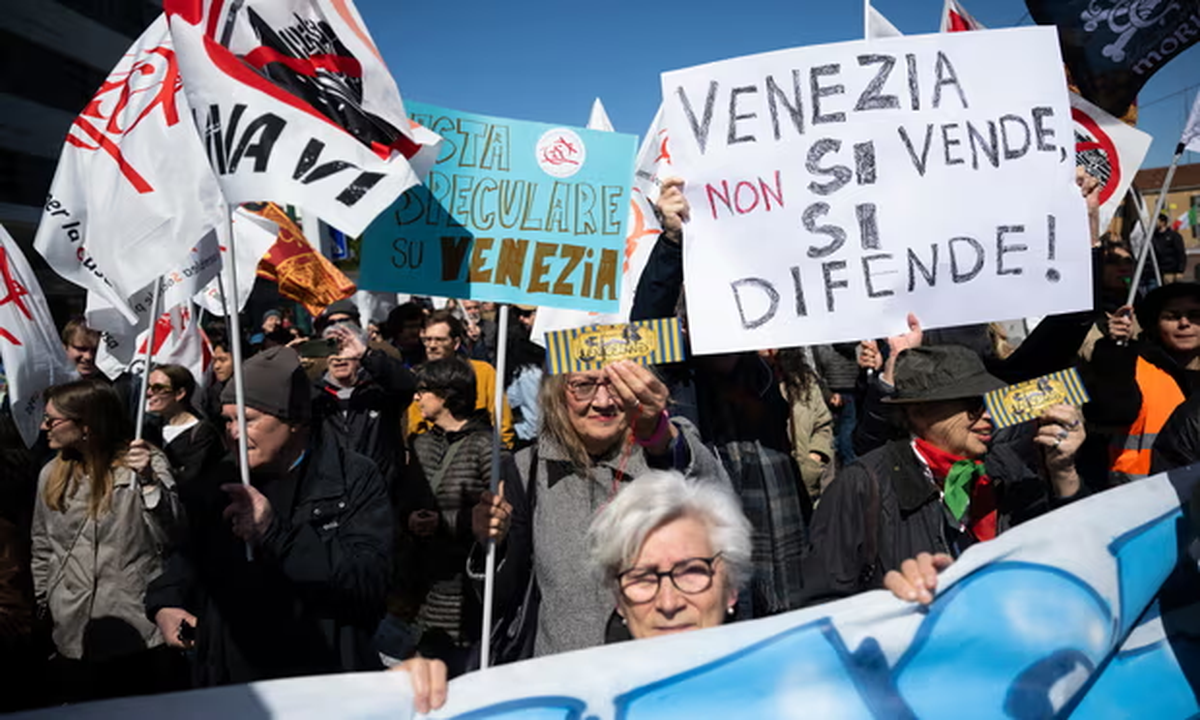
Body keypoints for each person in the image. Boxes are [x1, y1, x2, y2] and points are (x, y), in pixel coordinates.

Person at [144, 346, 393, 686]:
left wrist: (275, 532)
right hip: (230, 680)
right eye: (228, 419)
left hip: (320, 677)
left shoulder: (351, 477)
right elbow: (185, 559)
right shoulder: (219, 478)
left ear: (294, 421)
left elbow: (367, 581)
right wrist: (165, 603)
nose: (233, 432)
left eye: (248, 419)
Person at [631, 177, 811, 618]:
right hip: (708, 535)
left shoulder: (765, 373)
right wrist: (672, 242)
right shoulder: (678, 373)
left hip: (781, 542)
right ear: (690, 326)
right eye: (713, 315)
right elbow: (645, 324)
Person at [482, 361, 727, 658]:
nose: (603, 402)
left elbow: (718, 503)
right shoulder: (526, 469)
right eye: (583, 385)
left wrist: (662, 437)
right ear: (557, 393)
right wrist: (493, 541)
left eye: (616, 384)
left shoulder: (664, 451)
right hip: (565, 675)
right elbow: (499, 597)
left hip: (661, 671)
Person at [808, 345, 1086, 599]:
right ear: (918, 413)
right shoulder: (862, 484)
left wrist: (1064, 473)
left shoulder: (1006, 467)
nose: (989, 415)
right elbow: (823, 602)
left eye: (988, 402)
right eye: (972, 405)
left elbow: (1069, 552)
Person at [32, 379, 183, 702]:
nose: (44, 427)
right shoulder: (51, 474)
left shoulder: (143, 463)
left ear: (86, 424)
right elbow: (42, 546)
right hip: (73, 632)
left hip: (136, 631)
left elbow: (174, 533)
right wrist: (47, 600)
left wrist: (148, 482)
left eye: (53, 420)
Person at [395, 357, 494, 673]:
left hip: (463, 592)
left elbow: (498, 515)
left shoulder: (486, 447)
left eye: (422, 390)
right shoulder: (420, 443)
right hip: (421, 588)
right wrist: (409, 519)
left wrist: (445, 523)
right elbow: (403, 501)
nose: (416, 397)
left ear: (447, 395)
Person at [1087, 283, 1200, 484]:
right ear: (1155, 323)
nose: (1184, 323)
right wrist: (1114, 349)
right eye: (1172, 316)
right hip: (1145, 495)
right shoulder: (1133, 364)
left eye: (1194, 315)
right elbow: (1112, 411)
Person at [312, 321, 415, 491]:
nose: (339, 356)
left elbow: (408, 384)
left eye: (345, 347)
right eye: (331, 348)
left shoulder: (380, 391)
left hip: (381, 492)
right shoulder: (314, 395)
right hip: (332, 493)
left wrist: (365, 354)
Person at [407, 310, 514, 447]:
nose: (432, 346)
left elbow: (502, 423)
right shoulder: (417, 377)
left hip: (479, 454)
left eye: (440, 339)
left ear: (456, 343)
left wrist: (499, 457)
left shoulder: (483, 372)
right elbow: (415, 427)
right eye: (427, 339)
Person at [145, 364, 224, 491]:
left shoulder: (203, 433)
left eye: (157, 388)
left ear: (180, 393)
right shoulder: (149, 428)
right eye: (148, 387)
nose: (149, 393)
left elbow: (192, 478)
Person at [776, 348, 833, 503]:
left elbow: (822, 424)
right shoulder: (747, 382)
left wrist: (814, 458)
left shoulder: (803, 380)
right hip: (771, 489)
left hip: (807, 488)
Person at [503, 305, 546, 452]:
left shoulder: (531, 374)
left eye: (527, 314)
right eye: (518, 313)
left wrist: (511, 432)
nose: (522, 318)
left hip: (529, 443)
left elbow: (534, 424)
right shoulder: (517, 346)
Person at [386, 302, 428, 367]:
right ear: (397, 328)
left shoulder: (426, 352)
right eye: (410, 327)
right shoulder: (385, 352)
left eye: (418, 326)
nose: (415, 331)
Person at [1153, 213, 1188, 284]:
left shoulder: (1174, 236)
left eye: (1155, 220)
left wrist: (1180, 270)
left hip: (1170, 271)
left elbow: (1180, 253)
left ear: (1162, 222)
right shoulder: (1154, 237)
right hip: (1157, 271)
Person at [460, 299, 497, 364]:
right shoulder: (458, 327)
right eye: (468, 309)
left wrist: (479, 338)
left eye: (476, 307)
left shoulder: (491, 327)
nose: (473, 311)